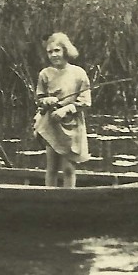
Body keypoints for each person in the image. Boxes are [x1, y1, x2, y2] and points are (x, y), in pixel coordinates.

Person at [33, 32, 92, 187]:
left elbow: (86, 101)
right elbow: (39, 99)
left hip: (72, 125)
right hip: (51, 124)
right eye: (49, 52)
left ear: (65, 50)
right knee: (51, 167)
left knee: (68, 168)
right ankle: (49, 198)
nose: (53, 55)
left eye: (57, 50)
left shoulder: (79, 73)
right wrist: (46, 100)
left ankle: (68, 198)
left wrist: (67, 110)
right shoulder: (45, 74)